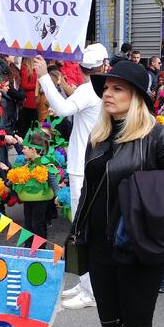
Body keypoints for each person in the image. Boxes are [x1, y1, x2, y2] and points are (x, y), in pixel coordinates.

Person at [68, 60, 164, 327]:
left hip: (138, 247)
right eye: (106, 88)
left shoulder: (156, 135)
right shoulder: (99, 134)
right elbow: (91, 191)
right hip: (101, 247)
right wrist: (79, 234)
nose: (107, 93)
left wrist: (139, 188)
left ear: (136, 97)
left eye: (117, 88)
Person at [34, 44, 109, 310]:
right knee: (83, 228)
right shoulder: (98, 89)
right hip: (88, 164)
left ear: (82, 68)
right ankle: (86, 283)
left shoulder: (91, 90)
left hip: (84, 166)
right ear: (103, 66)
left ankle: (91, 291)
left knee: (84, 229)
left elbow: (64, 109)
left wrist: (44, 76)